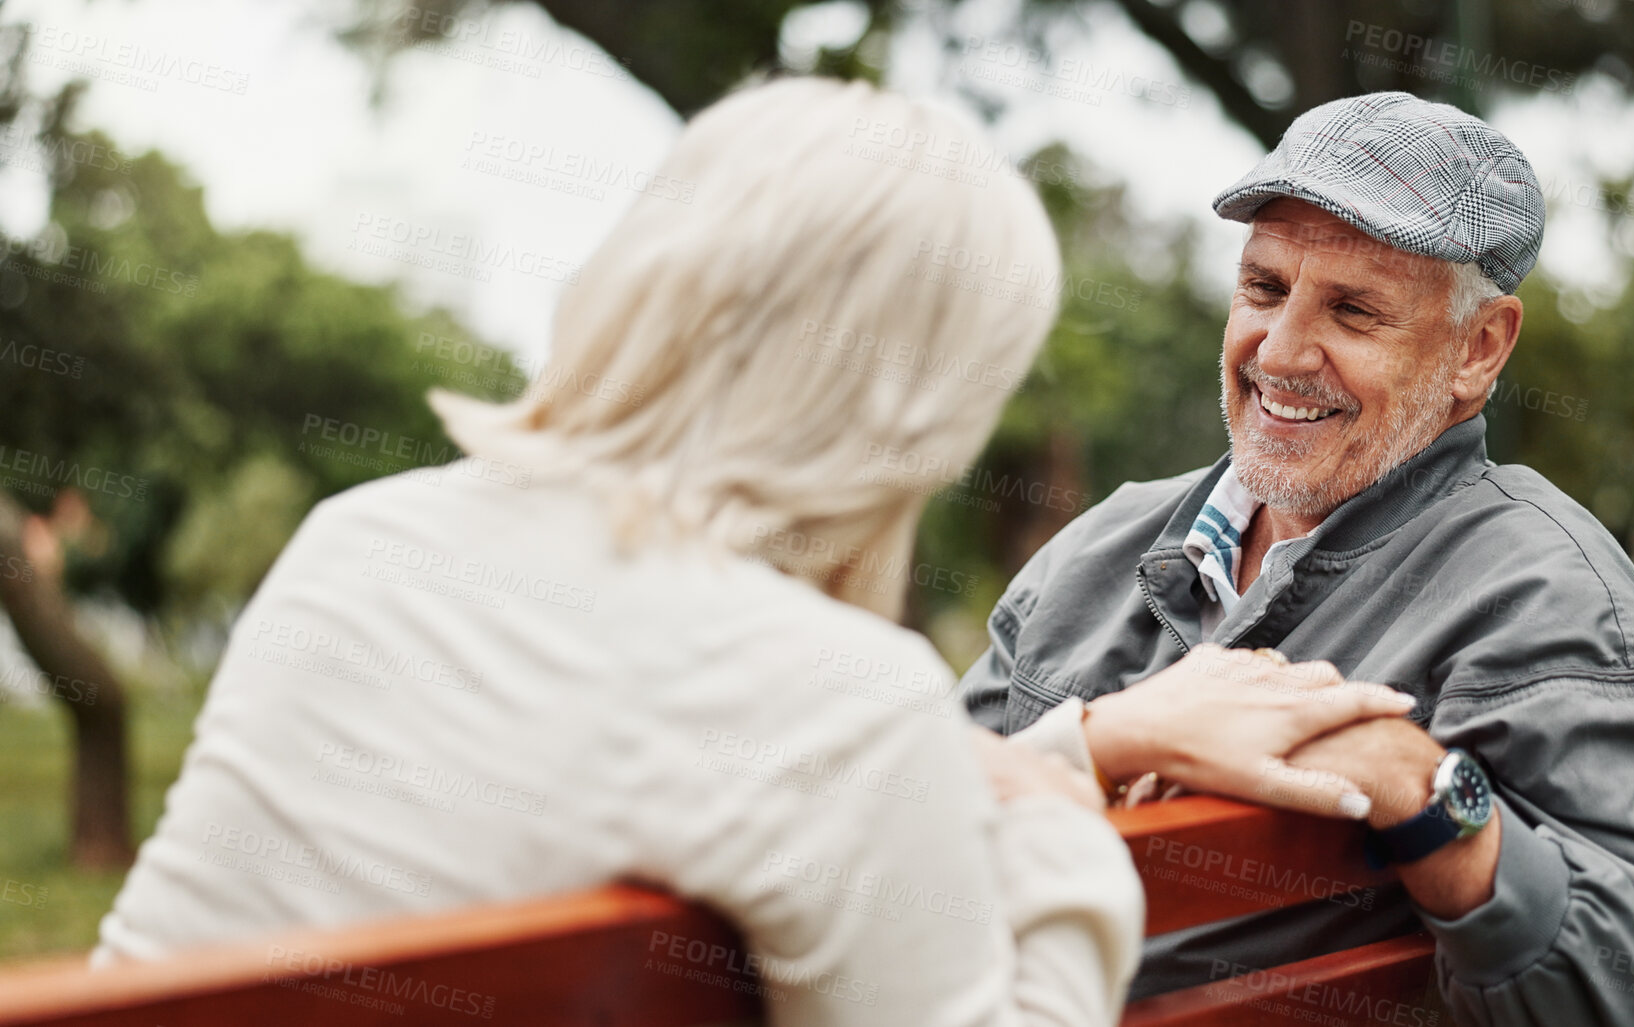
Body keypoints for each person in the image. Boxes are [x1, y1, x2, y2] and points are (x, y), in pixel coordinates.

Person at [92, 77, 1429, 1026]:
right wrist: (1072, 843)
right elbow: (804, 778)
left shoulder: (365, 542)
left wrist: (1071, 745)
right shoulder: (827, 687)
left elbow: (740, 785)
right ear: (913, 407)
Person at [960, 91, 1634, 1026]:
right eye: (1263, 289)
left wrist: (1424, 791)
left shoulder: (1546, 601)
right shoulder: (1094, 552)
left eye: (1353, 310)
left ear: (1479, 348)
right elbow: (889, 845)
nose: (1283, 350)